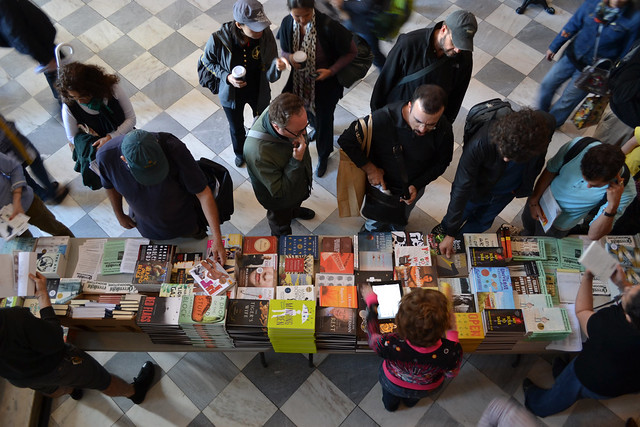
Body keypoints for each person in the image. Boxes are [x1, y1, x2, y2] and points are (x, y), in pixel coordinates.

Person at [0, 271, 155, 404]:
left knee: (52, 387)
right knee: (102, 381)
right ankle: (133, 393)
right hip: (57, 365)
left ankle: (72, 390)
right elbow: (55, 339)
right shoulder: (13, 319)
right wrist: (42, 295)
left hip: (21, 377)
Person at [523, 265, 640, 417]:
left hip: (593, 377)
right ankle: (561, 375)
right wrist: (623, 286)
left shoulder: (610, 327)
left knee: (562, 393)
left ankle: (536, 404)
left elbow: (582, 311)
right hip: (628, 381)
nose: (632, 287)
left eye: (633, 289)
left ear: (630, 317)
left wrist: (587, 278)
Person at [437, 109, 555, 258]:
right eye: (503, 153)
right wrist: (450, 233)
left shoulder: (545, 127)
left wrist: (521, 189)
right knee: (459, 214)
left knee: (481, 223)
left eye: (512, 157)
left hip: (505, 193)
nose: (505, 159)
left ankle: (459, 244)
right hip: (475, 189)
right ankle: (445, 234)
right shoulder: (481, 142)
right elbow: (461, 188)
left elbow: (537, 163)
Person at [96, 129, 226, 263]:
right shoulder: (105, 157)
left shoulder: (173, 147)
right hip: (148, 228)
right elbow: (109, 185)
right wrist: (119, 214)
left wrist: (217, 238)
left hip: (185, 224)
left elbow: (203, 193)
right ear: (124, 160)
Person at [338, 84, 454, 231]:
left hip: (413, 186)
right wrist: (371, 169)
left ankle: (398, 226)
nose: (422, 129)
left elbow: (442, 162)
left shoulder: (443, 129)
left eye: (431, 124)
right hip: (382, 186)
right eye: (418, 121)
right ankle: (371, 228)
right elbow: (346, 140)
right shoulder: (382, 119)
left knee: (402, 217)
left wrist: (418, 184)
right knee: (375, 219)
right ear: (410, 106)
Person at [201, 0, 287, 168]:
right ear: (239, 24)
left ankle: (260, 148)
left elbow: (270, 72)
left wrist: (277, 68)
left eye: (261, 25)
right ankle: (239, 152)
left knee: (263, 122)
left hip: (258, 89)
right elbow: (208, 62)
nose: (260, 31)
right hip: (232, 94)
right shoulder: (218, 39)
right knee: (236, 127)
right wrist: (227, 77)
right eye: (254, 27)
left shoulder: (265, 35)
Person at [278, 0, 357, 177]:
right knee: (305, 114)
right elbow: (284, 50)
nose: (301, 20)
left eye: (305, 15)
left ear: (312, 8)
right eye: (296, 16)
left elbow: (352, 52)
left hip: (325, 86)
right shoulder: (287, 23)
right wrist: (289, 58)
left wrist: (331, 71)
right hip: (298, 83)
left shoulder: (329, 26)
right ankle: (314, 128)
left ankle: (323, 155)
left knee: (324, 122)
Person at [537, 0, 640, 127]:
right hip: (572, 56)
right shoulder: (593, 3)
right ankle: (540, 117)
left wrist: (611, 77)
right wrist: (554, 46)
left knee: (567, 101)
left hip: (595, 70)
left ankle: (549, 126)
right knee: (547, 85)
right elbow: (574, 23)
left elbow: (626, 53)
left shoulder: (634, 19)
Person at [363, 286, 462, 412]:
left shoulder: (390, 343)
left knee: (389, 399)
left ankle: (390, 407)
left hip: (393, 382)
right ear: (445, 325)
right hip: (426, 387)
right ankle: (410, 403)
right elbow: (451, 373)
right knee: (413, 398)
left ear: (399, 322)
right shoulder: (452, 351)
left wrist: (372, 303)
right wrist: (452, 331)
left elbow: (373, 337)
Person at [370, 10, 477, 124]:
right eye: (454, 42)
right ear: (444, 29)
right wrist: (377, 118)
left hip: (429, 124)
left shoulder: (464, 57)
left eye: (463, 44)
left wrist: (444, 125)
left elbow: (456, 96)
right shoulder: (409, 44)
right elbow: (385, 82)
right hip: (398, 117)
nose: (458, 49)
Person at [523, 139, 637, 240]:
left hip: (557, 225)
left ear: (613, 177)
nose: (588, 186)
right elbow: (551, 169)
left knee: (538, 246)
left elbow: (593, 235)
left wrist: (612, 205)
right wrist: (533, 201)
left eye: (595, 185)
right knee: (527, 228)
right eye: (584, 177)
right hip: (539, 200)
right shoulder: (578, 145)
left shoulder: (626, 192)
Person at [243, 93, 314, 236]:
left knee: (293, 204)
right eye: (298, 131)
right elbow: (279, 192)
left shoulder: (282, 111)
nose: (304, 133)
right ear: (276, 126)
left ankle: (294, 210)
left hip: (297, 185)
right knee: (281, 222)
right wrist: (296, 161)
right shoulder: (257, 152)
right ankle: (281, 236)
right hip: (279, 202)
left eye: (305, 126)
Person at [56, 62, 136, 150]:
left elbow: (131, 119)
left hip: (126, 138)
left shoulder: (112, 89)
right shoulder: (69, 106)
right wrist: (96, 145)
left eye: (83, 96)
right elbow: (72, 137)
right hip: (99, 149)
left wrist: (110, 137)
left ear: (93, 88)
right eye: (73, 97)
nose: (79, 101)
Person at [0, 152, 73, 237]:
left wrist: (17, 199)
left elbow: (15, 167)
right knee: (25, 247)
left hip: (25, 201)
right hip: (5, 222)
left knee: (58, 231)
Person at [0, 113, 68, 204]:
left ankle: (43, 193)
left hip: (8, 144)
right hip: (11, 143)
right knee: (33, 163)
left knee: (20, 171)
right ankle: (49, 194)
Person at [0, 0, 59, 100]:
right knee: (55, 71)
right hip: (37, 39)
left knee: (57, 64)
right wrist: (46, 59)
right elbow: (17, 33)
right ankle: (68, 102)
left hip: (38, 35)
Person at [329, 0, 386, 69]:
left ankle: (390, 74)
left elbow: (366, 5)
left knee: (375, 57)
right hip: (355, 21)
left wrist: (343, 3)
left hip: (367, 24)